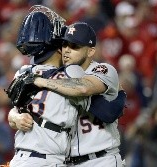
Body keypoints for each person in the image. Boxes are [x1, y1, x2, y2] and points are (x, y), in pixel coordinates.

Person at [32, 22, 126, 167]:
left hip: (101, 159)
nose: (67, 51)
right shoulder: (58, 75)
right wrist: (16, 116)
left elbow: (83, 88)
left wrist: (43, 82)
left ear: (90, 51)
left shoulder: (104, 69)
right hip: (67, 162)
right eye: (64, 44)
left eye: (74, 46)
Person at [7, 10, 90, 167]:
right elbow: (14, 113)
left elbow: (13, 113)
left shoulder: (23, 72)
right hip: (48, 160)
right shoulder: (73, 72)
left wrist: (16, 118)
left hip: (21, 160)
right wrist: (17, 118)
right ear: (59, 47)